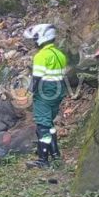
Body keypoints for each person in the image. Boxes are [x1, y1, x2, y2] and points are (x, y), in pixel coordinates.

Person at [23, 24, 68, 168]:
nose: (34, 42)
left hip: (45, 92)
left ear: (42, 38)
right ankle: (55, 154)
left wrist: (28, 93)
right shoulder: (60, 54)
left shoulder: (41, 56)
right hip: (59, 90)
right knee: (49, 123)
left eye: (35, 38)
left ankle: (43, 160)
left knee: (43, 126)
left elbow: (36, 79)